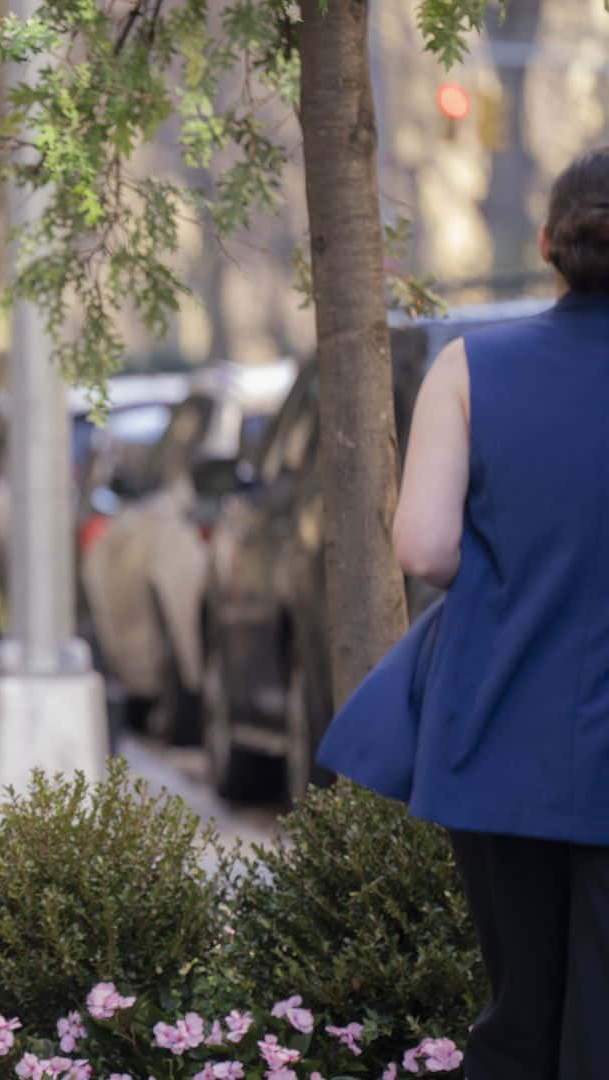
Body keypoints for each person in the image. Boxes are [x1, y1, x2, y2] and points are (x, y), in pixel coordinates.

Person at [386, 146, 609, 1077]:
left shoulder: (471, 367)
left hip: (500, 737)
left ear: (549, 243)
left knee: (521, 1017)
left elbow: (425, 549)